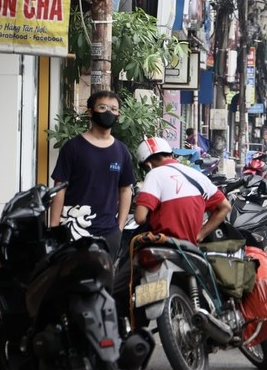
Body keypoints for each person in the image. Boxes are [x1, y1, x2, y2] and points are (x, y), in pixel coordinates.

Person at [50, 91, 135, 259]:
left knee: (104, 283)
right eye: (102, 107)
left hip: (109, 233)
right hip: (74, 230)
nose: (108, 112)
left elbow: (126, 190)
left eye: (113, 109)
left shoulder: (121, 151)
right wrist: (54, 227)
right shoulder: (73, 148)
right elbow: (59, 189)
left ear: (118, 115)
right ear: (90, 111)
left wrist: (119, 228)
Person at [133, 137, 231, 244]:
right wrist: (200, 235)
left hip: (163, 248)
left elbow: (140, 217)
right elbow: (226, 207)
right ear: (170, 154)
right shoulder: (198, 176)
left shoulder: (154, 174)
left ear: (148, 164)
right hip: (191, 250)